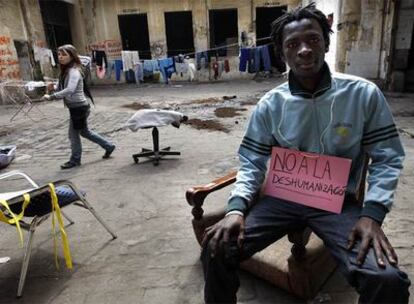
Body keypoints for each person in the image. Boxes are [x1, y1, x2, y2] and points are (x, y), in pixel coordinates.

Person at [201, 3, 410, 304]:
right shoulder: (270, 104)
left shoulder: (362, 94)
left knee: (386, 281)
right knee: (216, 248)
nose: (304, 50)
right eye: (292, 44)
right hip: (283, 197)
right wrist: (236, 209)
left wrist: (372, 214)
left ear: (326, 42)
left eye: (312, 39)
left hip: (337, 202)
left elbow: (388, 157)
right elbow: (252, 162)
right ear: (281, 52)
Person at [43, 44, 116, 169]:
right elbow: (63, 87)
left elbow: (70, 89)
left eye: (64, 54)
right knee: (84, 132)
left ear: (72, 56)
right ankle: (108, 146)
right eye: (59, 54)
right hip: (76, 108)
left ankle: (75, 159)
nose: (60, 57)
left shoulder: (74, 71)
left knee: (73, 134)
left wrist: (52, 96)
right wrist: (53, 87)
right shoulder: (66, 70)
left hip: (79, 108)